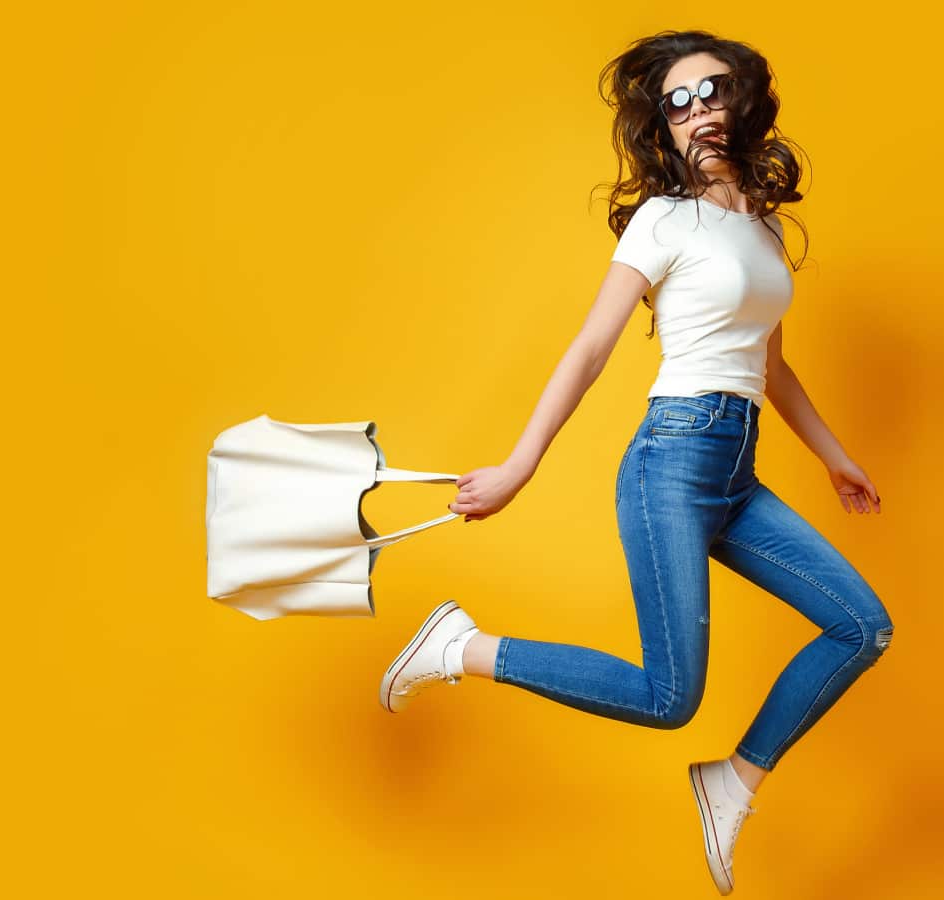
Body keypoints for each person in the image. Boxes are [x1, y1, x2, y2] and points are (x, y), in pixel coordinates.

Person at [378, 30, 893, 895]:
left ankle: (734, 780)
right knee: (670, 696)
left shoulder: (761, 230)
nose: (698, 112)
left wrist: (838, 460)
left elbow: (772, 368)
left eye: (712, 90)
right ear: (662, 124)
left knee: (862, 625)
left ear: (743, 100)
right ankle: (463, 646)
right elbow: (589, 348)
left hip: (735, 469)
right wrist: (519, 466)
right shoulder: (663, 220)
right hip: (673, 460)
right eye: (677, 101)